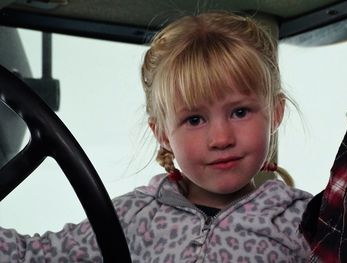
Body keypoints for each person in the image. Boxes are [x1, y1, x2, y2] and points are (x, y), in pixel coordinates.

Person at [0, 11, 315, 262]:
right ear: (162, 133)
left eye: (240, 112)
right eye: (194, 119)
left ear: (275, 112)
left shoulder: (306, 221)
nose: (221, 138)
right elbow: (31, 254)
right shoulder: (135, 216)